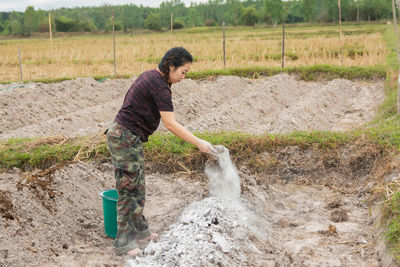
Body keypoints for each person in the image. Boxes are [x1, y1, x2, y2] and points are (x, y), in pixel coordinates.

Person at [106, 47, 217, 256]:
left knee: (137, 186)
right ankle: (123, 243)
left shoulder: (154, 78)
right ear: (170, 66)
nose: (183, 77)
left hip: (127, 137)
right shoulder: (159, 86)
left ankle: (140, 232)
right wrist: (199, 143)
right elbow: (171, 124)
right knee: (129, 190)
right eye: (182, 72)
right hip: (124, 137)